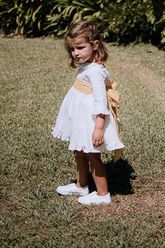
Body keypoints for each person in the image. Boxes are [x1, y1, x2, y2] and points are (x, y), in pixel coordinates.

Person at [52, 20, 124, 205]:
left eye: (80, 47)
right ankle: (81, 185)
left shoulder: (95, 71)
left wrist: (99, 128)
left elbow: (101, 103)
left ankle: (102, 194)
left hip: (92, 121)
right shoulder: (87, 66)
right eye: (72, 49)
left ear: (95, 45)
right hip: (81, 119)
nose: (76, 53)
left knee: (92, 155)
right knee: (79, 151)